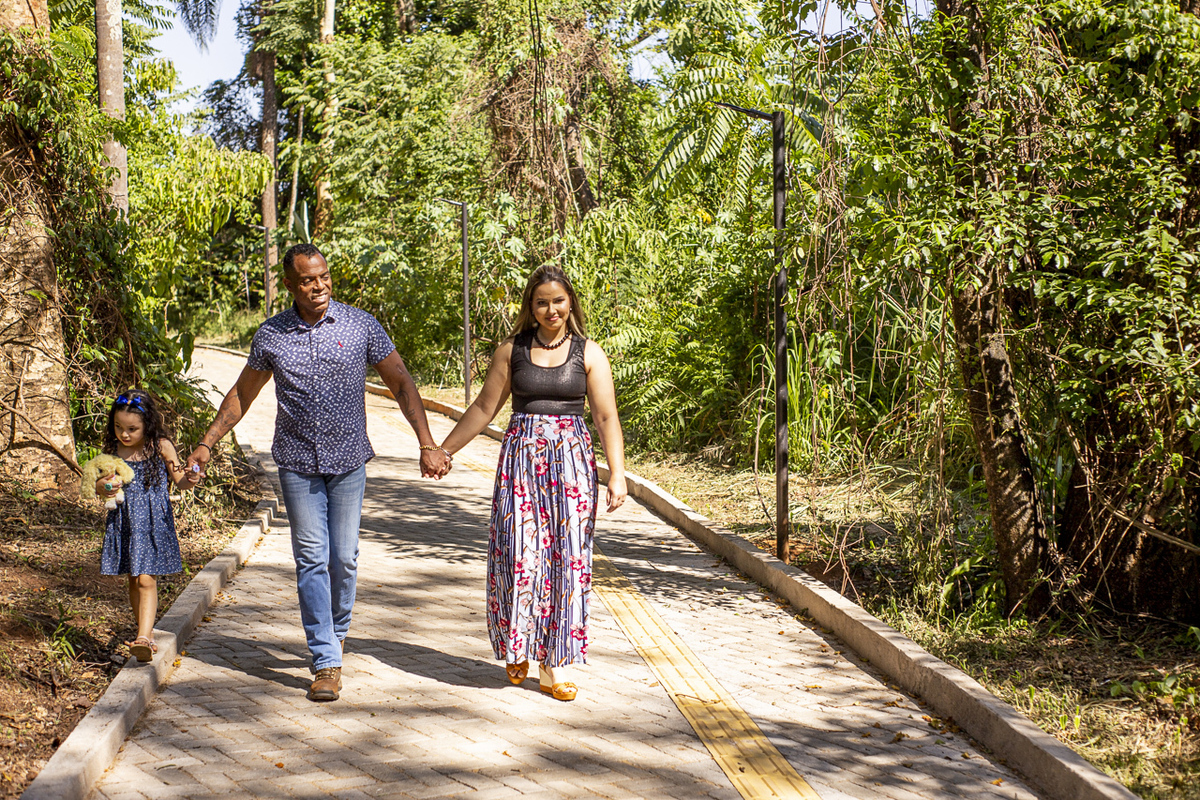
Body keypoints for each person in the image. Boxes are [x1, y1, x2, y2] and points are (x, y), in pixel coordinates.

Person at [185, 243, 450, 702]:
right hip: (297, 462)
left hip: (348, 460)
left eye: (323, 276)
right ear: (290, 285)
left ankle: (336, 632)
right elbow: (243, 394)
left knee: (343, 559)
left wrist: (427, 443)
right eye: (308, 280)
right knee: (311, 557)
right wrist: (207, 442)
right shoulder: (271, 335)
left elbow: (401, 381)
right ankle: (325, 659)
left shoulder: (360, 324)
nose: (319, 286)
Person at [438, 265, 627, 701]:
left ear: (570, 303)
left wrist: (617, 473)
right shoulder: (512, 350)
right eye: (541, 302)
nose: (550, 310)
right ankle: (517, 645)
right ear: (530, 306)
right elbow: (484, 408)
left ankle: (553, 664)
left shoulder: (589, 353)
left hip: (572, 468)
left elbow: (605, 416)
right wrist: (445, 450)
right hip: (520, 464)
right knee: (517, 553)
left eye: (558, 301)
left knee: (566, 560)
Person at [97, 390, 201, 663]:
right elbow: (99, 484)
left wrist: (192, 477)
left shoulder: (161, 446)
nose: (124, 434)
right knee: (134, 578)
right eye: (118, 427)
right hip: (125, 521)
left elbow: (180, 480)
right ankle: (146, 633)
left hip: (153, 522)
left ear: (148, 424)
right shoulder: (113, 451)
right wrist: (107, 486)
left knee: (145, 578)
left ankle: (143, 637)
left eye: (132, 429)